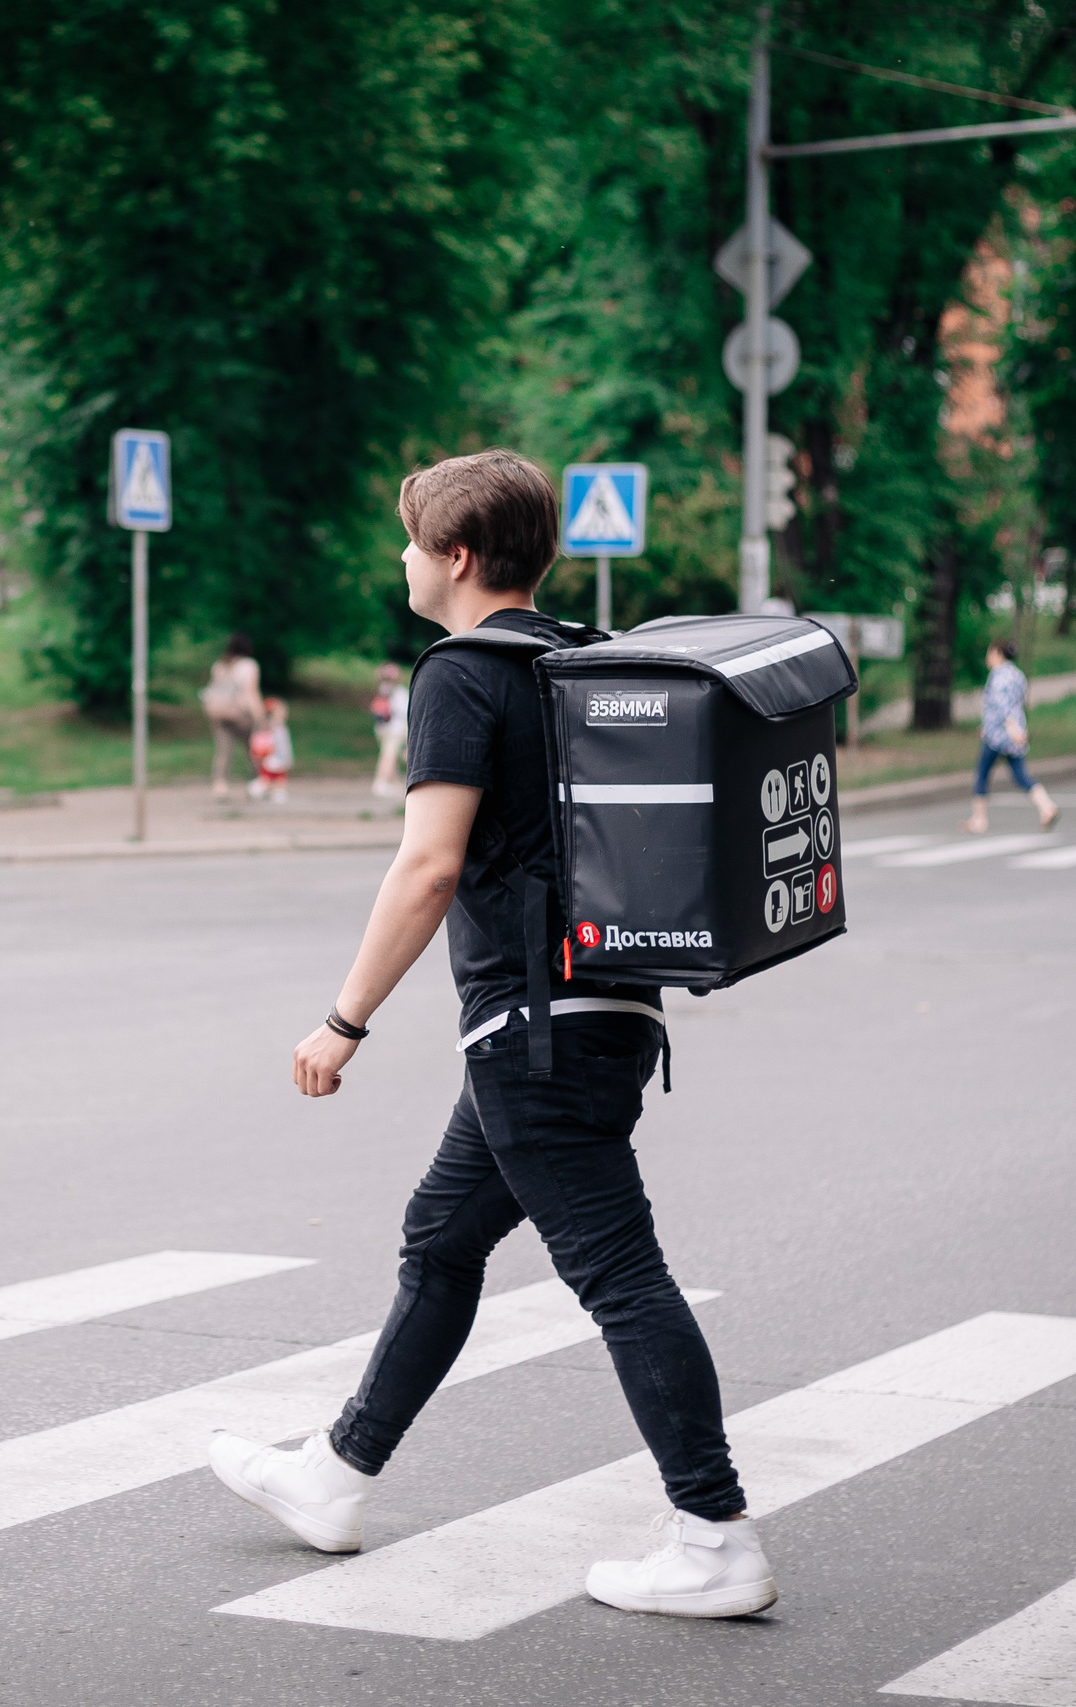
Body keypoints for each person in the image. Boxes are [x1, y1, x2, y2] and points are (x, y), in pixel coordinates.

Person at [205, 448, 775, 1620]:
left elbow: (427, 867)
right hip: (603, 1010)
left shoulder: (460, 675)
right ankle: (336, 1474)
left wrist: (341, 1020)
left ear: (456, 559)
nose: (401, 560)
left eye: (411, 543)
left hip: (534, 1033)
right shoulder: (570, 659)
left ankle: (714, 1535)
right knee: (441, 1239)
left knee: (620, 1276)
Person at [964, 639, 1058, 834]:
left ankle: (979, 819)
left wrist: (1010, 728)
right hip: (1014, 733)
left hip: (998, 736)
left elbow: (1003, 705)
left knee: (982, 773)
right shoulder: (1017, 675)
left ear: (998, 653)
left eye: (990, 652)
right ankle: (1046, 806)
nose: (988, 657)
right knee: (1020, 774)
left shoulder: (998, 677)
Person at [201, 636, 263, 799]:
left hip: (218, 712)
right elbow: (251, 692)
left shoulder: (220, 665)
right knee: (253, 749)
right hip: (241, 713)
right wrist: (260, 716)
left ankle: (220, 785)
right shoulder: (249, 666)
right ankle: (257, 782)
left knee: (223, 750)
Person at [369, 663, 410, 798]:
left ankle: (392, 782)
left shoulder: (382, 690)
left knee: (391, 755)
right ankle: (381, 782)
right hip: (395, 729)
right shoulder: (399, 692)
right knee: (389, 756)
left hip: (382, 728)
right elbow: (404, 712)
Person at [246, 696, 294, 802]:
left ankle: (278, 794)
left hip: (281, 759)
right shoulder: (269, 728)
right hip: (270, 758)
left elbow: (285, 746)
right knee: (266, 779)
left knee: (280, 779)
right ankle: (255, 789)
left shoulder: (282, 727)